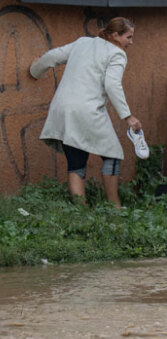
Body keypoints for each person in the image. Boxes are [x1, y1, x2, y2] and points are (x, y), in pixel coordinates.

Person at [29, 18, 143, 207]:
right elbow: (112, 85)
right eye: (128, 37)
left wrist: (34, 70)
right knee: (113, 154)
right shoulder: (117, 54)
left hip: (62, 109)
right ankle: (115, 208)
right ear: (116, 35)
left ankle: (80, 213)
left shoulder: (82, 42)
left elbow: (53, 56)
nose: (131, 42)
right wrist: (128, 117)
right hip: (87, 111)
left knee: (76, 163)